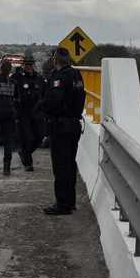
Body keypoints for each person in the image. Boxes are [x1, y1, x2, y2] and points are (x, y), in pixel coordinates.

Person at [39, 47, 87, 216]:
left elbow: (54, 101)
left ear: (55, 60)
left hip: (61, 125)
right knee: (70, 164)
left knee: (60, 166)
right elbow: (82, 96)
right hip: (74, 124)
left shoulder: (59, 76)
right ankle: (70, 201)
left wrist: (42, 107)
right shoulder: (76, 74)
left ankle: (62, 204)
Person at [12, 55, 45, 172]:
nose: (28, 67)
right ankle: (28, 163)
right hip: (23, 112)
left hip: (37, 112)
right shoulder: (17, 78)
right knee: (28, 138)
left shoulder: (39, 78)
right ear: (23, 65)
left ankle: (24, 152)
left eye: (30, 64)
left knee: (40, 137)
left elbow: (44, 95)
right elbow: (13, 95)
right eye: (26, 64)